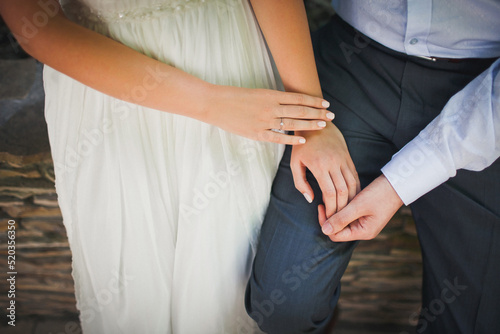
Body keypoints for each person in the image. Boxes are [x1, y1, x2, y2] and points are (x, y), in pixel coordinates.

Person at [0, 0, 342, 333]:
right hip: (107, 86)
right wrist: (210, 103)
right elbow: (38, 27)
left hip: (230, 60)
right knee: (134, 288)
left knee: (231, 280)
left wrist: (312, 120)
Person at [246, 1, 500, 333]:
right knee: (283, 307)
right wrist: (313, 121)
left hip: (484, 97)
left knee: (476, 322)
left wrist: (399, 184)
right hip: (352, 61)